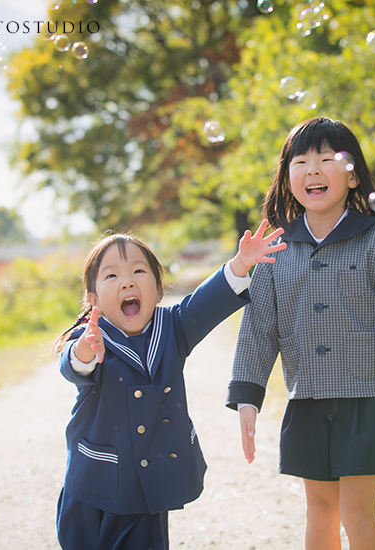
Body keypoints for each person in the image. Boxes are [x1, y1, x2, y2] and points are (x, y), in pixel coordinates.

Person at [226, 117, 375, 550]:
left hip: (370, 399)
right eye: (301, 161)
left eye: (326, 159)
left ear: (352, 175)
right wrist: (247, 395)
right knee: (319, 510)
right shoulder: (276, 251)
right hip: (308, 399)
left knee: (358, 513)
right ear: (287, 177)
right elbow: (259, 327)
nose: (313, 170)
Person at [53, 224, 286, 550]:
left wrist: (240, 264)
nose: (128, 281)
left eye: (138, 270)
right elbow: (71, 365)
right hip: (97, 481)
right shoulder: (91, 338)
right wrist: (86, 351)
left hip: (150, 482)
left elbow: (207, 302)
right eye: (111, 276)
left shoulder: (173, 326)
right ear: (93, 299)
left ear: (159, 290)